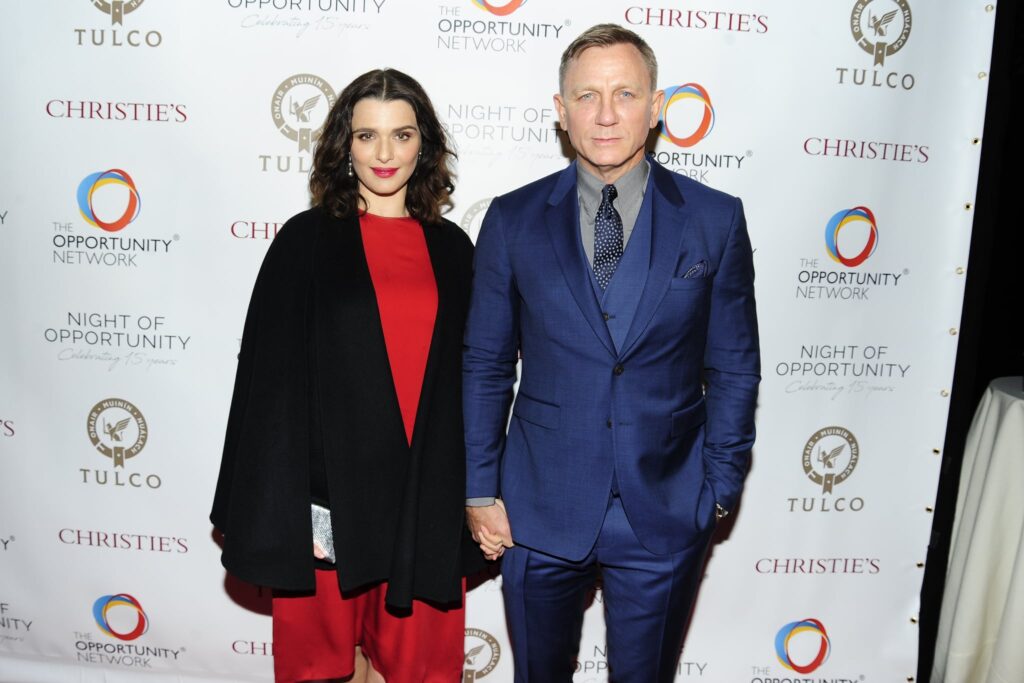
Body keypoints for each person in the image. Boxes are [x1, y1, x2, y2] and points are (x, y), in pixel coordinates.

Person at [463, 23, 760, 682]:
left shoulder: (715, 218)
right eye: (586, 95)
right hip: (538, 507)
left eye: (625, 93)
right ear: (560, 112)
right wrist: (481, 489)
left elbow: (735, 364)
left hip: (665, 504)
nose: (605, 113)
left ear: (656, 108)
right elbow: (485, 363)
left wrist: (717, 489)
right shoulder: (512, 220)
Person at [211, 68, 483, 683]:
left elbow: (477, 381)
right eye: (367, 136)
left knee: (421, 670)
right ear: (344, 145)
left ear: (425, 145)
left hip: (424, 498)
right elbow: (267, 388)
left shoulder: (455, 249)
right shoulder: (303, 242)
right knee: (317, 670)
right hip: (325, 502)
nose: (384, 154)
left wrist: (481, 493)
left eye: (401, 134)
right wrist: (284, 505)